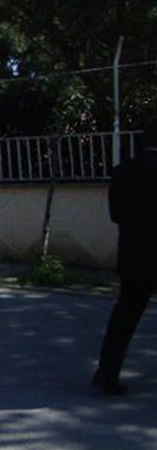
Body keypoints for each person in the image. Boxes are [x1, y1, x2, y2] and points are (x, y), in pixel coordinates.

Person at [92, 116, 157, 396]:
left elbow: (115, 215)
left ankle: (106, 375)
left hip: (133, 259)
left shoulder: (122, 172)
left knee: (123, 322)